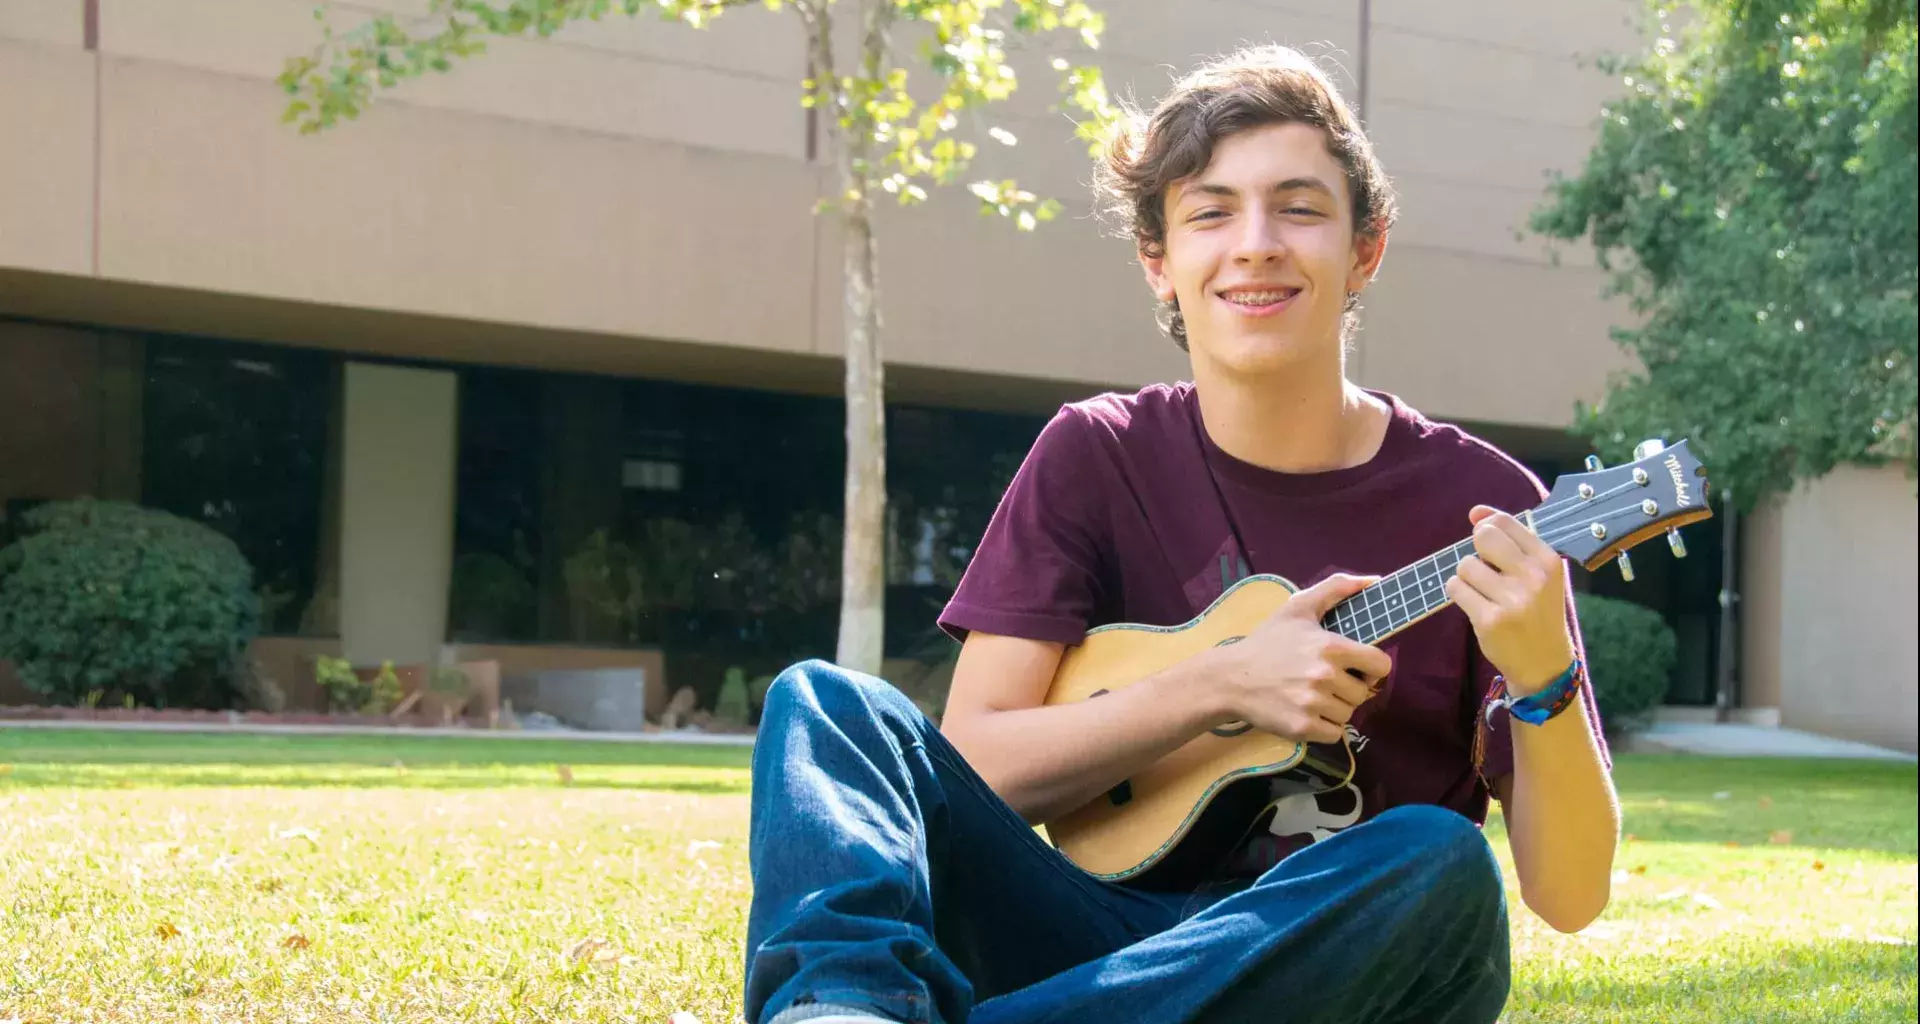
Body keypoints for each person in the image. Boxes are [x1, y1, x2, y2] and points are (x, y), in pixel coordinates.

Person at [741, 44, 1620, 1024]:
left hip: (1335, 963)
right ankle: (844, 1008)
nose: (1255, 244)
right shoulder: (1095, 453)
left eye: (1299, 206)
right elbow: (979, 769)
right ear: (1158, 261)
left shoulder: (1482, 503)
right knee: (825, 705)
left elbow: (1569, 896)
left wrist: (1546, 676)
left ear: (1364, 247)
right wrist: (1220, 684)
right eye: (1210, 211)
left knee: (1442, 862)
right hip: (1092, 941)